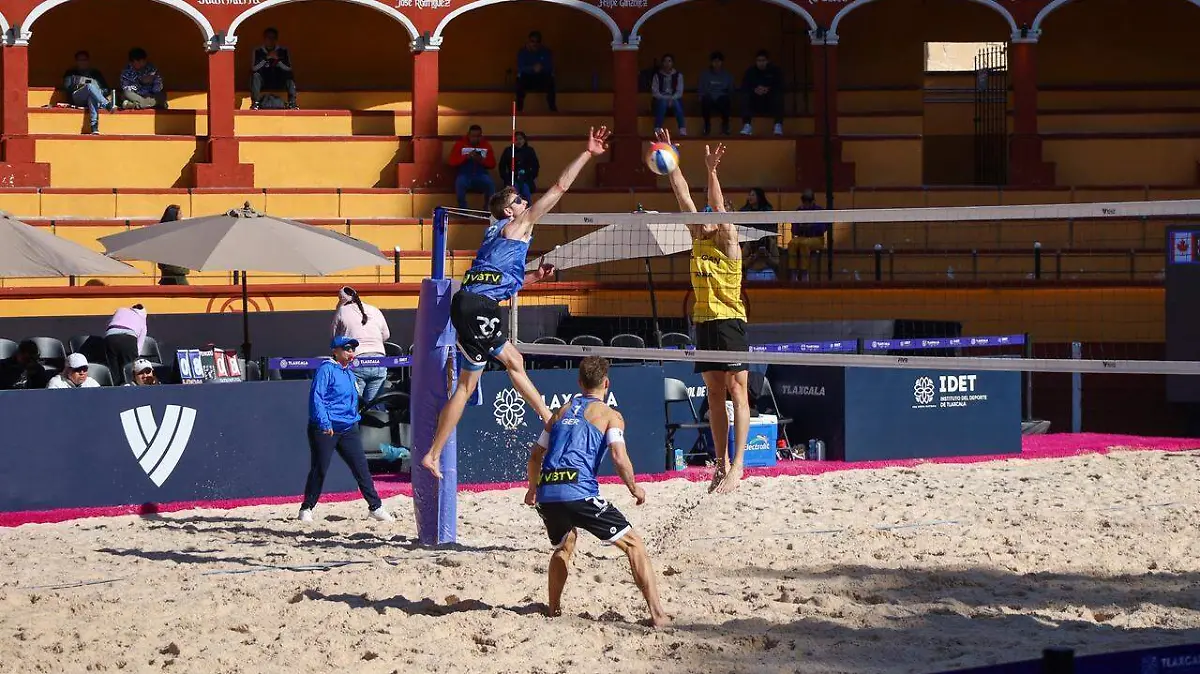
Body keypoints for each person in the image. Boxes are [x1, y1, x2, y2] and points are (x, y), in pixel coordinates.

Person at [420, 126, 612, 480]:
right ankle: (548, 419)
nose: (526, 203)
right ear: (509, 211)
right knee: (514, 361)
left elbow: (501, 282)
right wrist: (587, 153)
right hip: (478, 307)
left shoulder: (494, 236)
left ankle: (432, 454)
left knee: (468, 385)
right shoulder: (517, 225)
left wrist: (535, 278)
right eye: (520, 201)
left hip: (468, 303)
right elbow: (559, 188)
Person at [525, 356, 669, 627]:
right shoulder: (610, 415)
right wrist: (634, 487)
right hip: (579, 492)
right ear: (606, 383)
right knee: (634, 545)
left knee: (563, 546)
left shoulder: (560, 412)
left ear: (580, 383)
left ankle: (553, 610)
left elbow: (535, 456)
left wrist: (532, 488)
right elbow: (618, 455)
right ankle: (659, 615)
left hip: (548, 493)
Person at [657, 129, 749, 493]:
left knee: (737, 390)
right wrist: (671, 162)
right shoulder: (697, 237)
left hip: (731, 320)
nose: (706, 216)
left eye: (711, 213)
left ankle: (739, 464)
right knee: (714, 394)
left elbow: (721, 210)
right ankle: (721, 463)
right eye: (705, 214)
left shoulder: (728, 240)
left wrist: (711, 171)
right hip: (705, 322)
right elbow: (682, 196)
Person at [300, 336, 394, 523]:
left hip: (348, 427)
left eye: (353, 349)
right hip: (326, 428)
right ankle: (307, 508)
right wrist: (325, 423)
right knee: (320, 468)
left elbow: (353, 399)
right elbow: (317, 398)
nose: (351, 353)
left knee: (361, 469)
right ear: (335, 351)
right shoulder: (326, 370)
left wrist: (360, 413)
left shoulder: (349, 373)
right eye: (347, 349)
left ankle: (375, 507)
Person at [332, 286, 391, 408]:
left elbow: (335, 338)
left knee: (354, 405)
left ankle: (356, 426)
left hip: (356, 360)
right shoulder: (374, 309)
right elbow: (386, 335)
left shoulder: (342, 311)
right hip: (379, 360)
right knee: (375, 406)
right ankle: (377, 426)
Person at [61, 50, 114, 135]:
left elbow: (106, 89)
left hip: (94, 98)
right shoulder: (71, 73)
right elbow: (67, 87)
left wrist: (99, 91)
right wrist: (79, 86)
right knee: (89, 86)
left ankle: (94, 126)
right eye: (80, 60)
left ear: (88, 61)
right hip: (77, 97)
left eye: (85, 60)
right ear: (77, 62)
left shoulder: (96, 73)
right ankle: (106, 104)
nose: (83, 62)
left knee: (92, 96)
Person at [450, 125, 497, 210]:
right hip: (464, 174)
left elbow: (492, 164)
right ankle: (463, 210)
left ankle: (487, 210)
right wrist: (465, 157)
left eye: (478, 136)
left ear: (481, 136)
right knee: (459, 183)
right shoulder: (460, 144)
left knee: (490, 184)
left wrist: (481, 160)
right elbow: (452, 162)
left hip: (480, 174)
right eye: (473, 136)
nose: (475, 138)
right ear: (468, 135)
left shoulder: (486, 145)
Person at [788, 189, 830, 281]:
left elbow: (823, 228)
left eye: (809, 201)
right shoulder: (799, 210)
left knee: (804, 244)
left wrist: (810, 227)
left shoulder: (819, 211)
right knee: (792, 243)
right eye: (804, 200)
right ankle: (793, 273)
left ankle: (804, 273)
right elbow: (794, 229)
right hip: (801, 237)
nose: (806, 203)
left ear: (813, 201)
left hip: (817, 239)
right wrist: (801, 228)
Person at [250, 28, 297, 110]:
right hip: (263, 81)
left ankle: (292, 103)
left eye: (273, 38)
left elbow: (289, 68)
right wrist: (266, 58)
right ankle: (255, 103)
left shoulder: (283, 51)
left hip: (278, 80)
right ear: (264, 39)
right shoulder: (258, 51)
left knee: (289, 75)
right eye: (268, 38)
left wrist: (278, 60)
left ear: (276, 39)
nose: (271, 40)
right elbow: (254, 68)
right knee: (255, 75)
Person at [739, 49, 783, 136]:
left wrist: (768, 89)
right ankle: (747, 125)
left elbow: (780, 85)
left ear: (767, 61)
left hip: (769, 101)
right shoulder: (750, 72)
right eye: (759, 61)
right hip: (755, 101)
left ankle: (778, 125)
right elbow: (744, 86)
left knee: (778, 96)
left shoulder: (775, 71)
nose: (761, 63)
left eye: (763, 60)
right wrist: (754, 90)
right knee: (745, 96)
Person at [104, 303, 147, 386]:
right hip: (128, 338)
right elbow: (140, 343)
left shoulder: (120, 310)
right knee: (129, 369)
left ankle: (115, 390)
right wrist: (135, 357)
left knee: (113, 370)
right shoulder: (142, 320)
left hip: (110, 337)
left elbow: (108, 324)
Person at [516, 31, 556, 113]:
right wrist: (532, 68)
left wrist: (541, 68)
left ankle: (553, 109)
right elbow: (520, 68)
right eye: (532, 41)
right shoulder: (523, 52)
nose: (535, 44)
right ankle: (518, 109)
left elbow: (550, 67)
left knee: (550, 80)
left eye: (537, 41)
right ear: (528, 41)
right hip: (528, 78)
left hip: (541, 77)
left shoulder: (545, 52)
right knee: (520, 81)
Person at [697, 51, 734, 136]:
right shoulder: (705, 75)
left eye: (719, 61)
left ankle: (725, 126)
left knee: (725, 100)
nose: (716, 63)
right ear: (711, 62)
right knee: (705, 100)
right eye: (714, 61)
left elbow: (731, 90)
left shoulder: (727, 75)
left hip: (721, 98)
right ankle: (707, 126)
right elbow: (701, 89)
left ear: (722, 62)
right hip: (709, 98)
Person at [651, 54, 687, 136]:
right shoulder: (657, 75)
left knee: (677, 103)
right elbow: (655, 92)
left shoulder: (678, 75)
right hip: (661, 99)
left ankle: (682, 129)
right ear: (662, 63)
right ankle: (657, 129)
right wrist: (666, 98)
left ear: (672, 63)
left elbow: (679, 92)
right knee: (663, 102)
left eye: (669, 61)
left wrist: (671, 99)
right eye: (665, 61)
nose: (667, 63)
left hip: (674, 99)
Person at [499, 131, 540, 203]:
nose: (518, 141)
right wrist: (506, 178)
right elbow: (502, 166)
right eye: (516, 139)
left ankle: (528, 210)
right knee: (514, 190)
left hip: (527, 180)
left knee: (525, 189)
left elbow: (535, 166)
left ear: (524, 140)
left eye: (520, 139)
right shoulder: (508, 151)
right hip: (512, 179)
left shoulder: (530, 151)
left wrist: (529, 175)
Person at [155, 205, 190, 285]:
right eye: (180, 213)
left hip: (175, 274)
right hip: (174, 275)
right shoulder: (166, 233)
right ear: (174, 215)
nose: (182, 216)